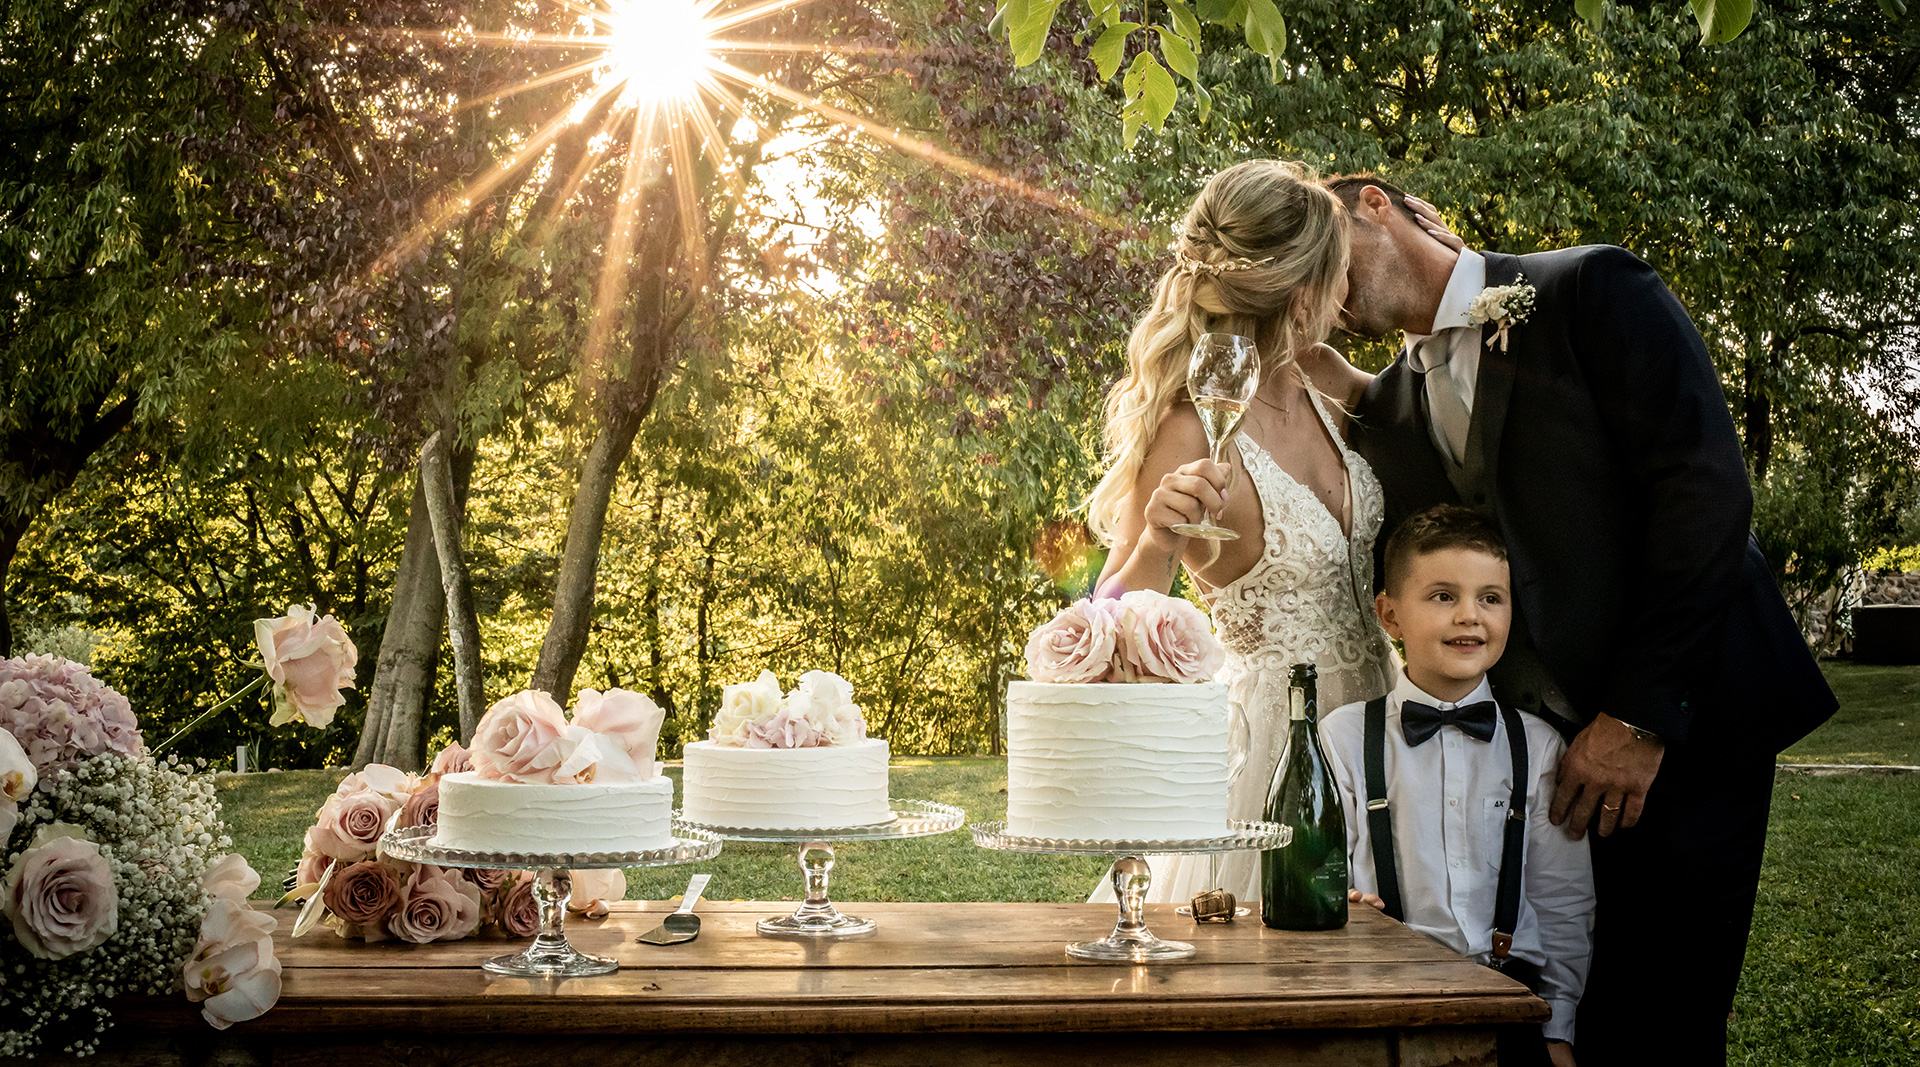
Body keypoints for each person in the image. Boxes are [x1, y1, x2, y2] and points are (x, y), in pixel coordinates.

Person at [1329, 174, 1837, 1065]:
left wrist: (1640, 716)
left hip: (1690, 719)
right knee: (1575, 1011)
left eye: (1318, 244)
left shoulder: (1591, 288)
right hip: (1548, 766)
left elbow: (1704, 486)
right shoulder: (1390, 409)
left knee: (1667, 1013)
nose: (1322, 285)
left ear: (1378, 204)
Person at [1087, 159, 1395, 903]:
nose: (1347, 293)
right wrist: (1160, 543)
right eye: (1339, 275)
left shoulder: (1328, 378)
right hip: (1275, 747)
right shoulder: (1191, 427)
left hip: (1383, 727)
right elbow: (1109, 619)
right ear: (1300, 296)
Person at [1322, 505, 1592, 1067]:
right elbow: (1323, 877)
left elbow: (1564, 901)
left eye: (1491, 598)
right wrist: (1339, 905)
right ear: (1389, 614)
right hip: (1379, 1008)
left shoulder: (1538, 746)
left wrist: (1558, 1028)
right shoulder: (1344, 737)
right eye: (1443, 596)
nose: (1470, 616)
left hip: (1510, 1006)